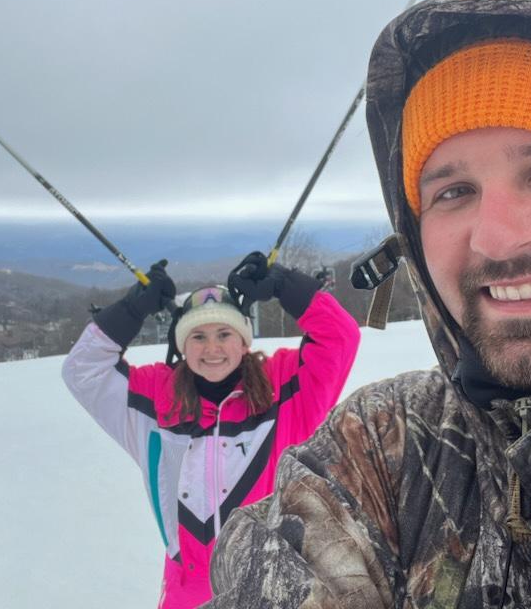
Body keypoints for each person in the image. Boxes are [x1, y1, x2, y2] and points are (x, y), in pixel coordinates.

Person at [205, 0, 531, 608]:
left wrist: (288, 287)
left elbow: (335, 337)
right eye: (452, 191)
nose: (498, 239)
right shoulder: (387, 444)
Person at [62, 252, 359, 609]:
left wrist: (282, 283)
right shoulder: (154, 399)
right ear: (182, 345)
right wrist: (131, 309)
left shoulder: (285, 390)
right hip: (187, 593)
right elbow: (83, 369)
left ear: (245, 341)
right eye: (198, 336)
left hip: (274, 585)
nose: (212, 348)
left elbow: (339, 337)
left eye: (224, 333)